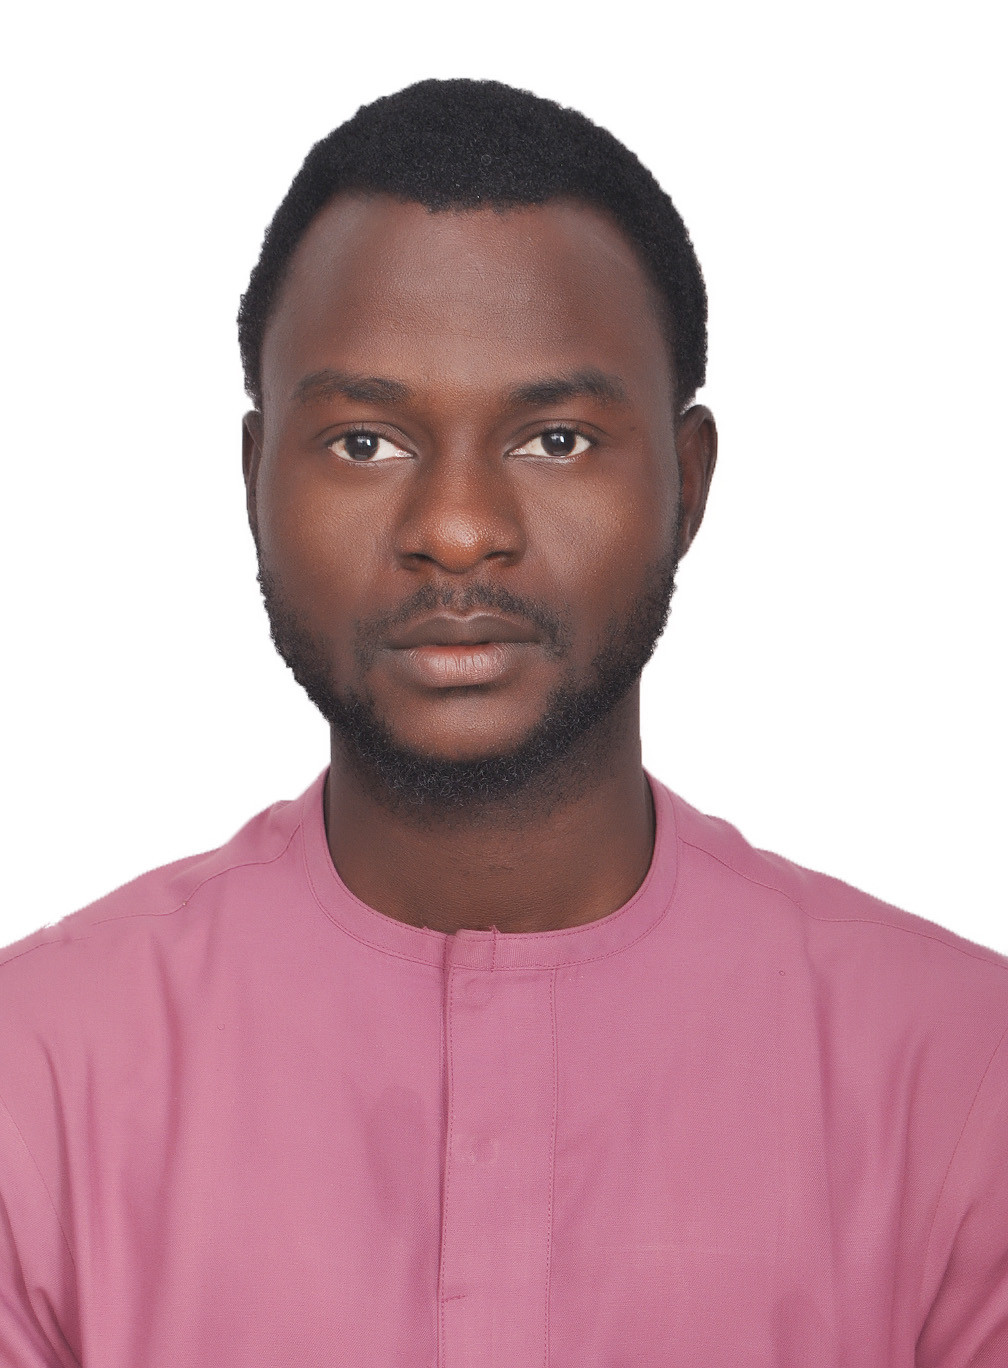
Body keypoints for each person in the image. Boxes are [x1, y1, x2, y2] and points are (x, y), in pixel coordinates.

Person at [1, 78, 1005, 1368]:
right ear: (252, 481)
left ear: (690, 483)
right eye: (365, 443)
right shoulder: (34, 1080)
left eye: (556, 439)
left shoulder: (965, 1078)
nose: (459, 527)